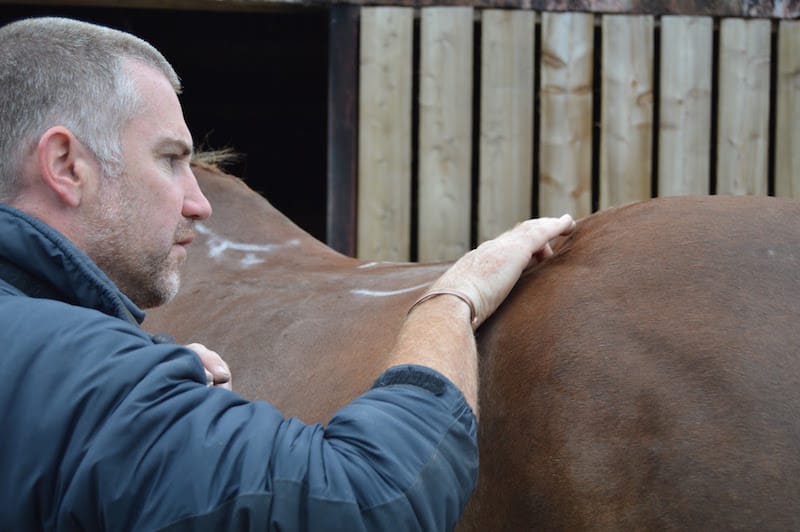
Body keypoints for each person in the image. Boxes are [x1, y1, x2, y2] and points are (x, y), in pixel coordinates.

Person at [0, 16, 575, 531]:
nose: (199, 202)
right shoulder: (89, 382)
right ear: (65, 165)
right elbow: (370, 501)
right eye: (171, 159)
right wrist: (453, 297)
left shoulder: (63, 368)